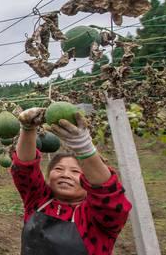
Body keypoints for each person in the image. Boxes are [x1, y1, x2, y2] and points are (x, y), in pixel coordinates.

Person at [12, 108, 132, 255]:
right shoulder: (38, 201)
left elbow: (109, 195)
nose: (65, 175)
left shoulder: (95, 218)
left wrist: (84, 148)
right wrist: (28, 129)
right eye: (59, 169)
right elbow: (24, 170)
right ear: (49, 176)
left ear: (89, 180)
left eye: (75, 171)